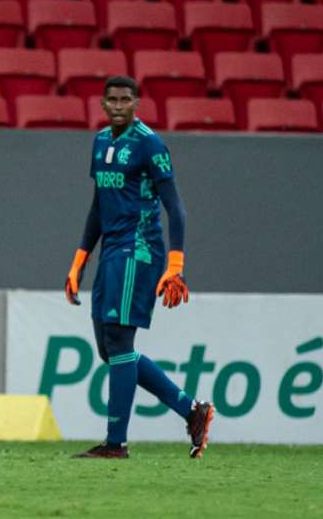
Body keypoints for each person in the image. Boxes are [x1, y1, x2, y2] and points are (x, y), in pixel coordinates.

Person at [64, 76, 213, 459]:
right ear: (102, 103)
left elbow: (175, 207)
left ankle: (116, 444)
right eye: (111, 100)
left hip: (138, 248)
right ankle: (192, 410)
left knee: (119, 344)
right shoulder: (99, 142)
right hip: (111, 250)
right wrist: (80, 259)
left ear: (136, 103)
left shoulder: (149, 143)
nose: (117, 106)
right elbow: (98, 205)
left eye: (125, 100)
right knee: (108, 349)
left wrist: (175, 264)